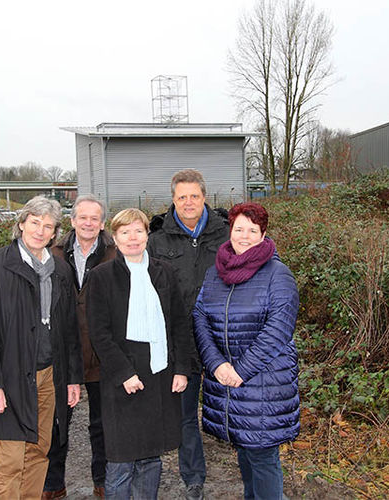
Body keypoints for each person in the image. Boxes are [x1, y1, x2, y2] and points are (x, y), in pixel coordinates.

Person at [0, 195, 83, 499]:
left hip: (49, 376)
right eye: (34, 223)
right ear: (22, 224)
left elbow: (69, 330)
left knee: (40, 451)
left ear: (55, 233)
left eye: (48, 226)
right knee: (12, 458)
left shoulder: (59, 270)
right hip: (11, 377)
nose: (40, 231)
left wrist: (72, 377)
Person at [193, 202, 300, 500]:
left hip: (263, 382)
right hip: (226, 380)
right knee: (245, 450)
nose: (244, 236)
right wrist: (215, 364)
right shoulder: (215, 272)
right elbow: (200, 316)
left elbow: (278, 330)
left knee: (263, 457)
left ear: (263, 234)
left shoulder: (278, 275)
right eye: (239, 229)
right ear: (230, 231)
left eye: (252, 230)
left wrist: (241, 370)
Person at [87, 208, 195, 499]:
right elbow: (100, 333)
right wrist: (125, 373)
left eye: (138, 231)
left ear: (148, 234)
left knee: (150, 457)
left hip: (159, 372)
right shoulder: (101, 277)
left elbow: (179, 323)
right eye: (125, 232)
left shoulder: (164, 271)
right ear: (114, 237)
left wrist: (182, 368)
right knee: (121, 458)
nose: (132, 238)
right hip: (122, 376)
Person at [146, 168, 229, 500]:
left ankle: (252, 469)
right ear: (173, 200)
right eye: (182, 197)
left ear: (205, 197)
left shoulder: (226, 234)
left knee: (236, 412)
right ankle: (193, 479)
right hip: (180, 343)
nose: (188, 202)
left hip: (222, 341)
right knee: (184, 415)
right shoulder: (157, 240)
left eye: (194, 195)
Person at [43, 195, 116, 499]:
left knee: (102, 424)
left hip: (102, 352)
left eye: (94, 218)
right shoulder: (52, 254)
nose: (88, 223)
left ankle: (102, 480)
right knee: (57, 423)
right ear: (72, 221)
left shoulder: (115, 253)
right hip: (63, 353)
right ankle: (53, 483)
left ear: (102, 223)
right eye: (82, 217)